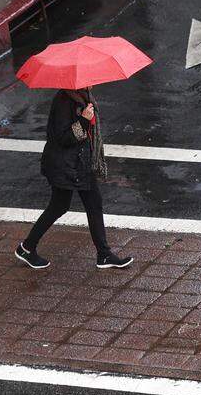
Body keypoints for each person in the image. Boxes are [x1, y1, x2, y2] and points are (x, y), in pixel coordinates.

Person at [15, 87, 133, 270]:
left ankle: (104, 254)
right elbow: (63, 138)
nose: (92, 82)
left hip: (80, 163)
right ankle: (27, 248)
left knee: (92, 204)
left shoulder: (84, 96)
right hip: (65, 165)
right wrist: (84, 120)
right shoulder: (64, 100)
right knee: (60, 205)